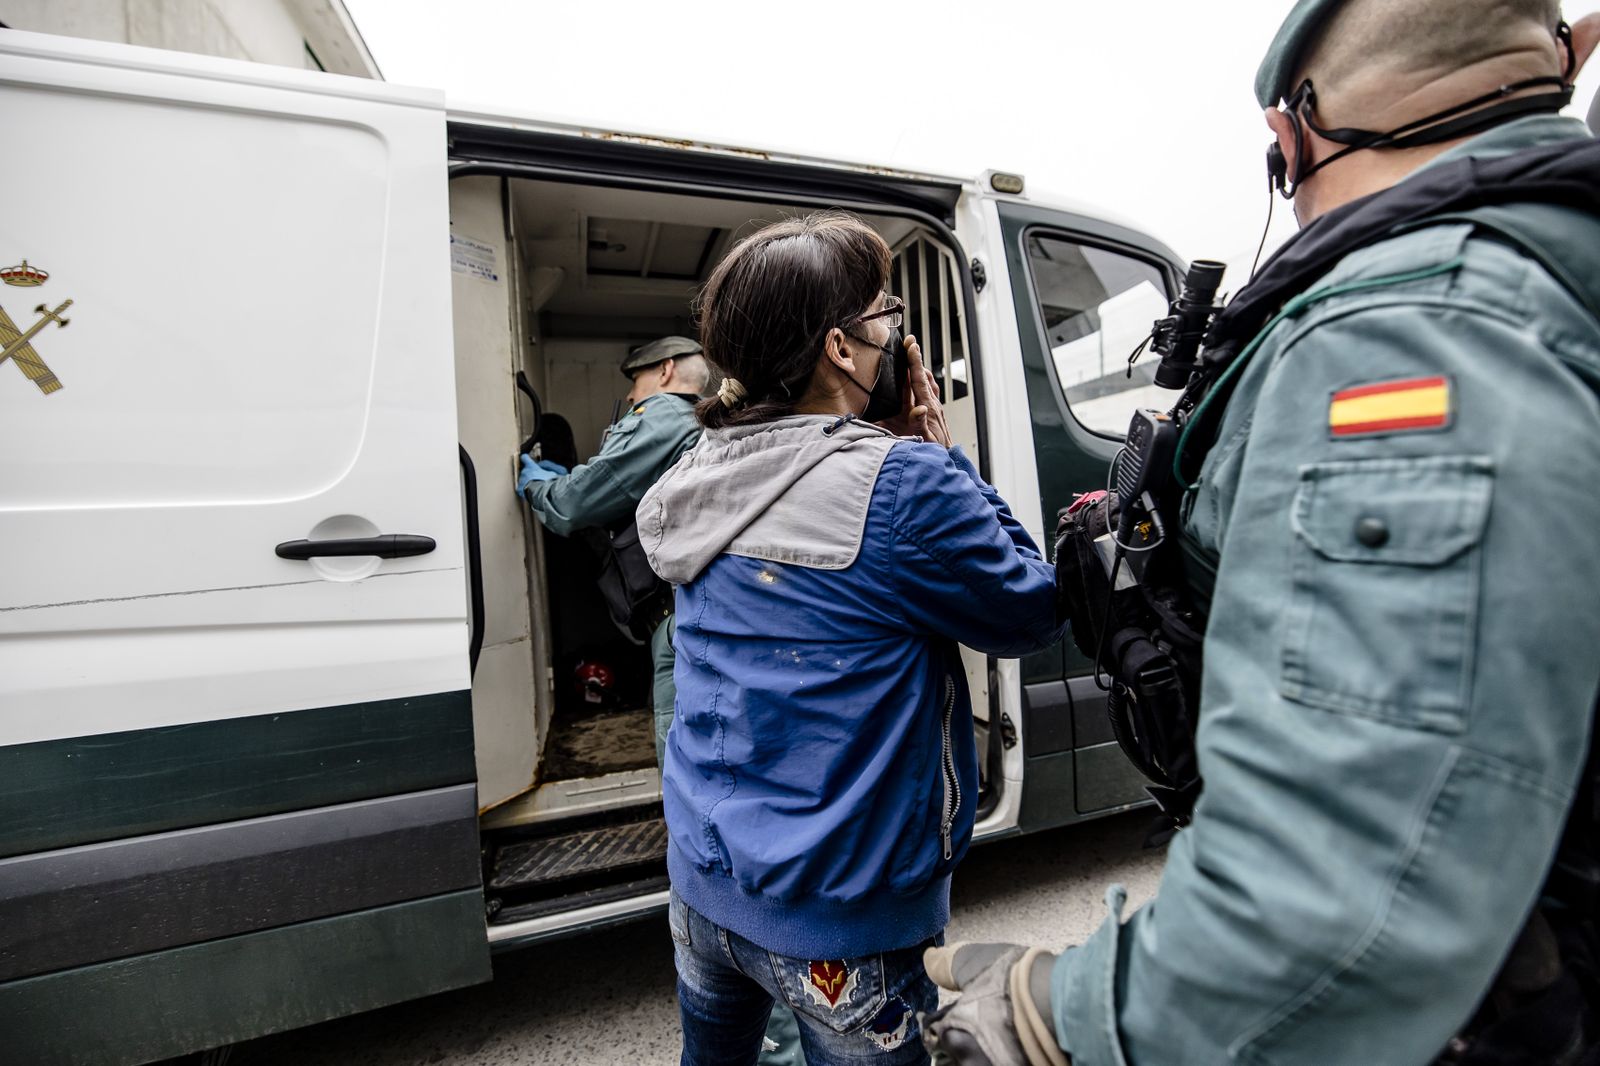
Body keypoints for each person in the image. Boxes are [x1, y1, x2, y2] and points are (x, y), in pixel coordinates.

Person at [923, 2, 1600, 1064]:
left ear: (1293, 136)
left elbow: (1344, 895)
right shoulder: (1549, 273)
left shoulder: (1409, 336)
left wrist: (1061, 1012)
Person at [635, 212, 1065, 1065]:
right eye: (882, 317)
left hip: (702, 885)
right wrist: (943, 456)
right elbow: (1030, 611)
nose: (892, 335)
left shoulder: (693, 473)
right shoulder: (904, 480)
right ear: (839, 348)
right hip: (839, 922)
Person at [517, 335, 707, 764]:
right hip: (694, 615)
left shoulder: (663, 415)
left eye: (636, 381)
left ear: (665, 371)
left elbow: (574, 505)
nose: (630, 395)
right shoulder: (700, 421)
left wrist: (537, 487)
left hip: (680, 622)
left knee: (686, 775)